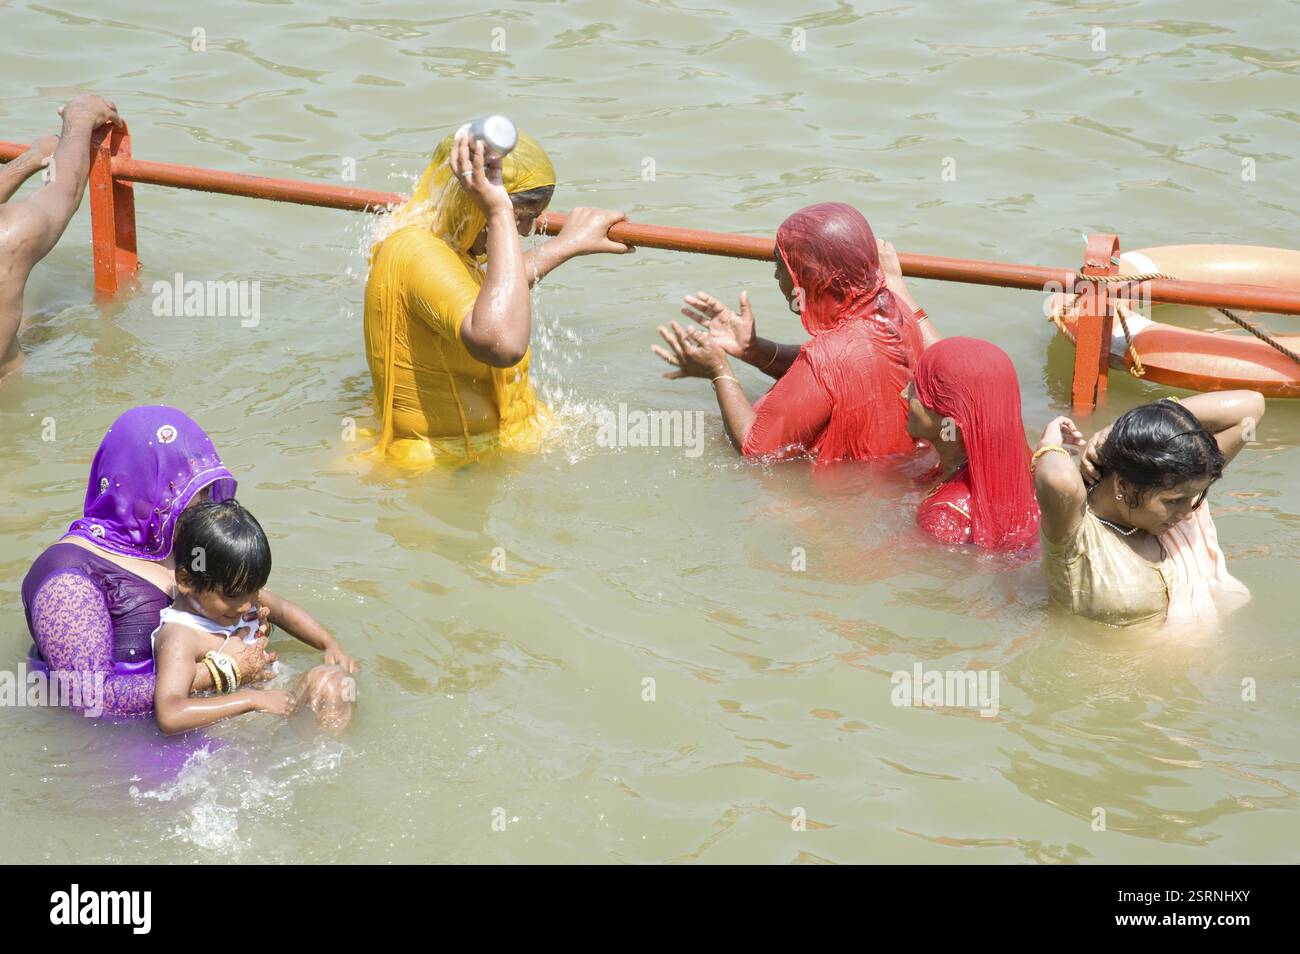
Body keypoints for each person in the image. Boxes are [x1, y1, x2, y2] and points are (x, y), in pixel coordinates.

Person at [363, 126, 632, 466]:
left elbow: (490, 293)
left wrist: (566, 245)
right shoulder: (416, 251)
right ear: (470, 200)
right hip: (443, 466)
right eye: (522, 218)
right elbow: (501, 342)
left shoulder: (446, 244)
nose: (524, 231)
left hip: (489, 447)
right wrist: (499, 212)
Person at [22, 406, 276, 717]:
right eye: (188, 491)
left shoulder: (174, 542)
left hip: (223, 712)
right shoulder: (68, 577)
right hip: (142, 750)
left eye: (205, 490)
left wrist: (251, 625)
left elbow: (243, 598)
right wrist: (224, 670)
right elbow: (90, 696)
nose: (205, 504)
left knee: (328, 688)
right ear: (142, 488)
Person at [652, 202, 936, 463]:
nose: (777, 275)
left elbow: (757, 450)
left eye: (781, 264)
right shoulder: (896, 310)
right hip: (899, 471)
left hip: (839, 497)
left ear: (811, 277)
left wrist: (718, 371)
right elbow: (835, 379)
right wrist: (753, 349)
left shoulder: (828, 356)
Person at [1033, 391, 1262, 627]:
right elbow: (1056, 477)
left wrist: (1116, 429)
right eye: (1173, 501)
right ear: (1124, 485)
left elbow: (1250, 412)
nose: (1188, 513)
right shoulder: (1075, 533)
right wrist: (1049, 445)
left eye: (1194, 497)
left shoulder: (1182, 483)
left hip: (1196, 662)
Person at [152, 500, 356, 734]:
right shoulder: (182, 636)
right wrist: (251, 701)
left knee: (333, 681)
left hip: (274, 699)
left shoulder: (238, 596)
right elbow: (170, 715)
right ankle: (318, 747)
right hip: (236, 728)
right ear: (187, 581)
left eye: (255, 591)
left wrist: (329, 645)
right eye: (233, 596)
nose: (248, 605)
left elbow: (282, 610)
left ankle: (327, 749)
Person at [1, 94, 122, 382]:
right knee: (48, 315)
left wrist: (28, 161)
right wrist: (79, 119)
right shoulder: (10, 238)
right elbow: (65, 189)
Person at [902, 337, 1039, 550]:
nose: (904, 394)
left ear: (949, 425)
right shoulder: (1027, 462)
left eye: (917, 390)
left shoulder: (944, 519)